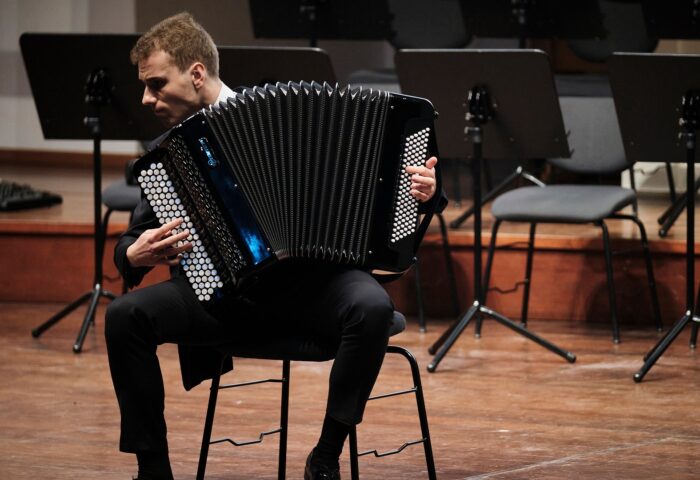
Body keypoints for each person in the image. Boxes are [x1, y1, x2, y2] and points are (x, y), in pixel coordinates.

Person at [105, 12, 442, 480]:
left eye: (157, 84)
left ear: (197, 73)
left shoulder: (300, 117)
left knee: (371, 306)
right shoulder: (168, 151)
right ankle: (153, 469)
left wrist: (423, 192)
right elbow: (129, 241)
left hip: (312, 286)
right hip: (224, 299)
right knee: (124, 317)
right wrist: (133, 254)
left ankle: (326, 453)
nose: (146, 98)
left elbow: (383, 189)